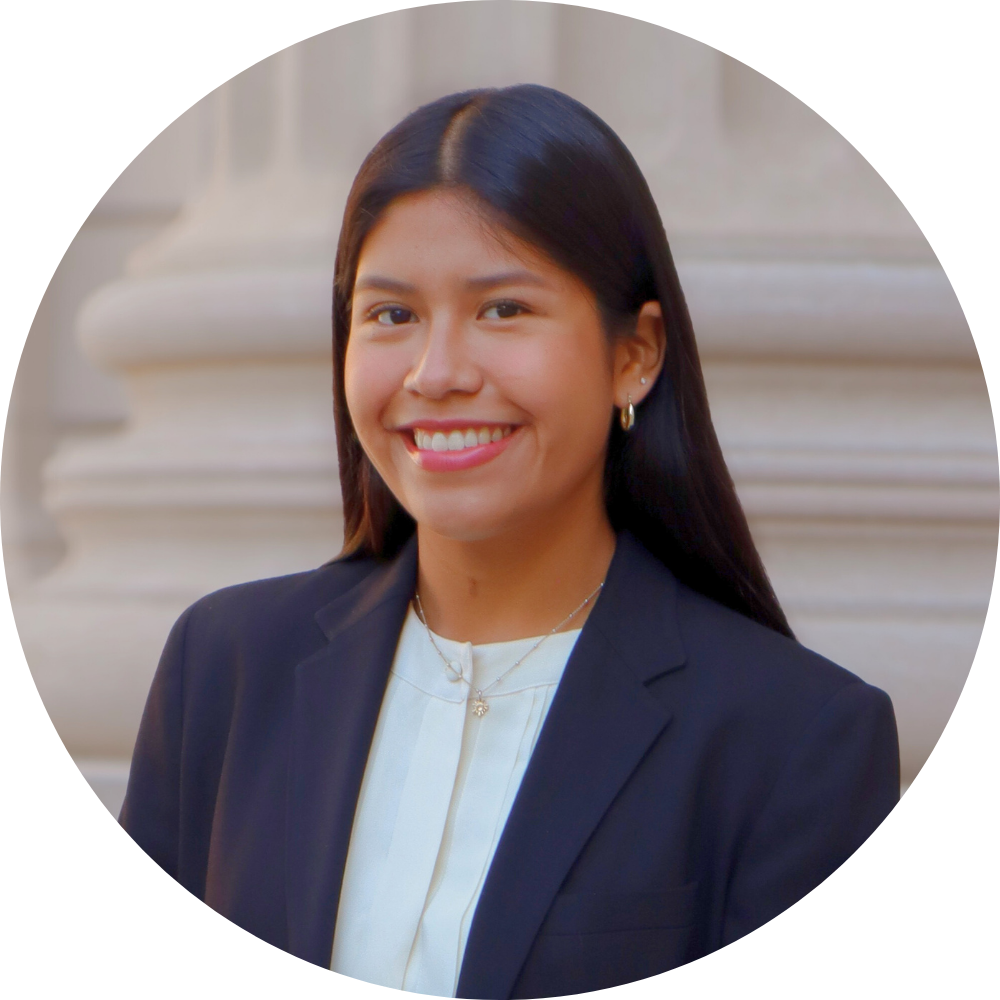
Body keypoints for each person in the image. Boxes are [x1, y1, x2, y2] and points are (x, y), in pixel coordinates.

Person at [119, 85, 899, 998]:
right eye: (391, 315)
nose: (437, 373)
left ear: (635, 355)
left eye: (504, 311)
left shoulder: (797, 739)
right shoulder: (225, 667)